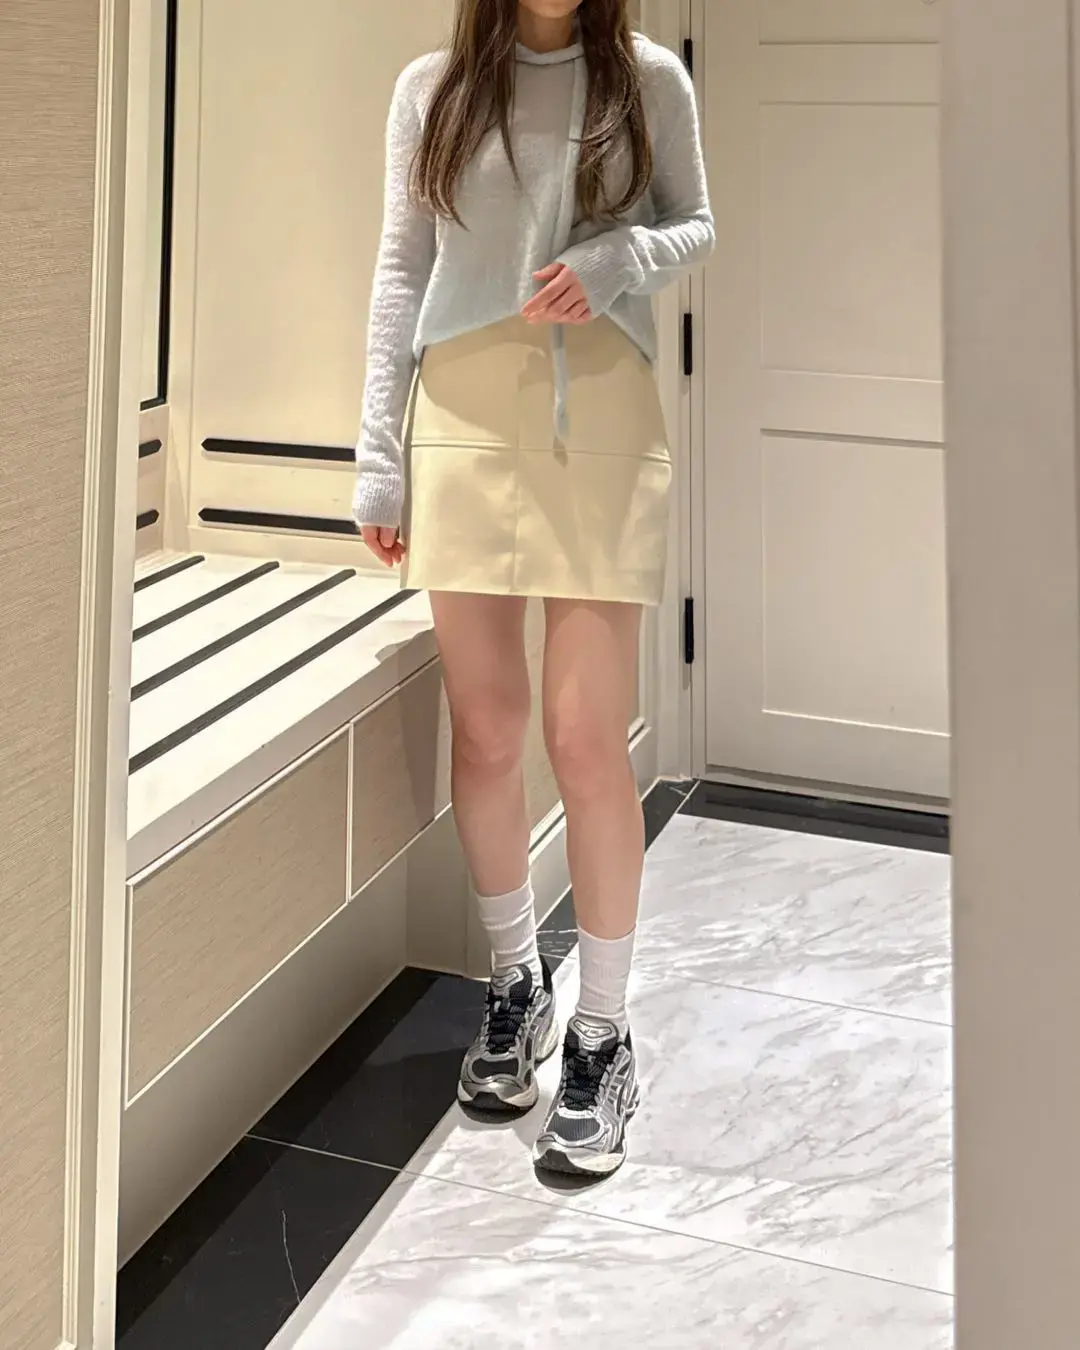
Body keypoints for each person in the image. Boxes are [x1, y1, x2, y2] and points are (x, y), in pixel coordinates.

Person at [354, 0, 713, 1177]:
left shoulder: (649, 80)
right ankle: (517, 986)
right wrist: (378, 460)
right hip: (461, 418)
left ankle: (604, 1032)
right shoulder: (433, 88)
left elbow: (697, 224)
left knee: (584, 737)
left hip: (602, 413)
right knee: (489, 729)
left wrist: (616, 259)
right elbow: (402, 271)